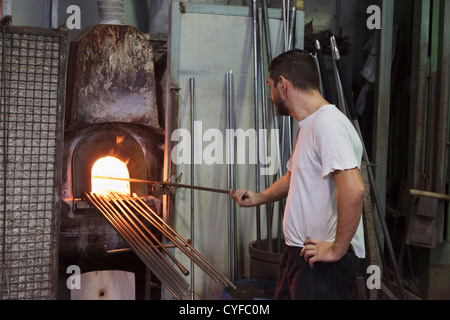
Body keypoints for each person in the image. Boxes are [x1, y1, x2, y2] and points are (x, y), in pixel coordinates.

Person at [230, 49, 366, 300]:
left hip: (322, 265)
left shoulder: (328, 125)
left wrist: (336, 249)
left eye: (271, 86)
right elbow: (295, 178)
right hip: (301, 257)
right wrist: (258, 197)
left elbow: (355, 190)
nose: (271, 95)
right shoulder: (310, 125)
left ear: (283, 84)